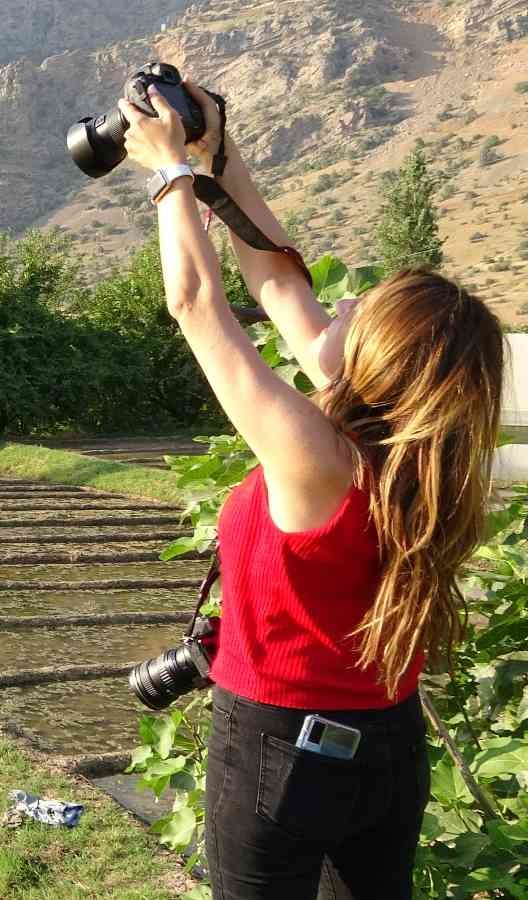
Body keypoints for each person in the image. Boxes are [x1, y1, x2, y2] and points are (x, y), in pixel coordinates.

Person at [116, 82, 505, 899]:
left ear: (375, 362)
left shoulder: (318, 458)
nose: (346, 301)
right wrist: (219, 160)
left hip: (282, 756)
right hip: (387, 752)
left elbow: (195, 304)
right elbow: (279, 284)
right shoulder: (424, 450)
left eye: (362, 310)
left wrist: (165, 174)